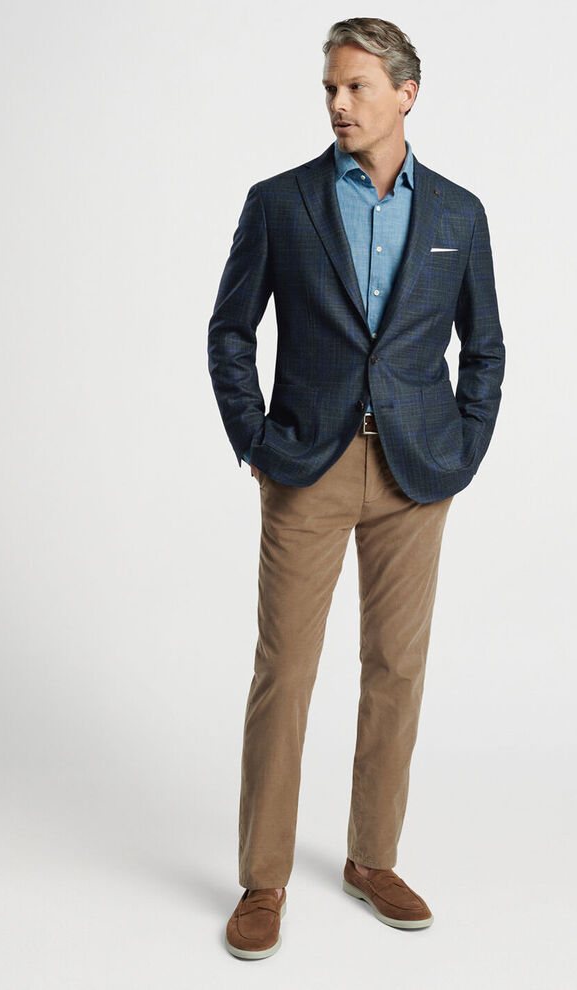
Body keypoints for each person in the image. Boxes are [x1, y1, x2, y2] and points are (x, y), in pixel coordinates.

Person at [207, 17, 505, 959]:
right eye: (330, 89)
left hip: (416, 473)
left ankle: (372, 859)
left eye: (357, 88)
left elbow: (485, 348)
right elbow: (230, 332)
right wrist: (256, 441)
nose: (338, 104)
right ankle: (263, 880)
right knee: (284, 672)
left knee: (397, 670)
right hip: (308, 466)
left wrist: (462, 451)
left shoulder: (458, 214)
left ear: (406, 95)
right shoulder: (280, 202)